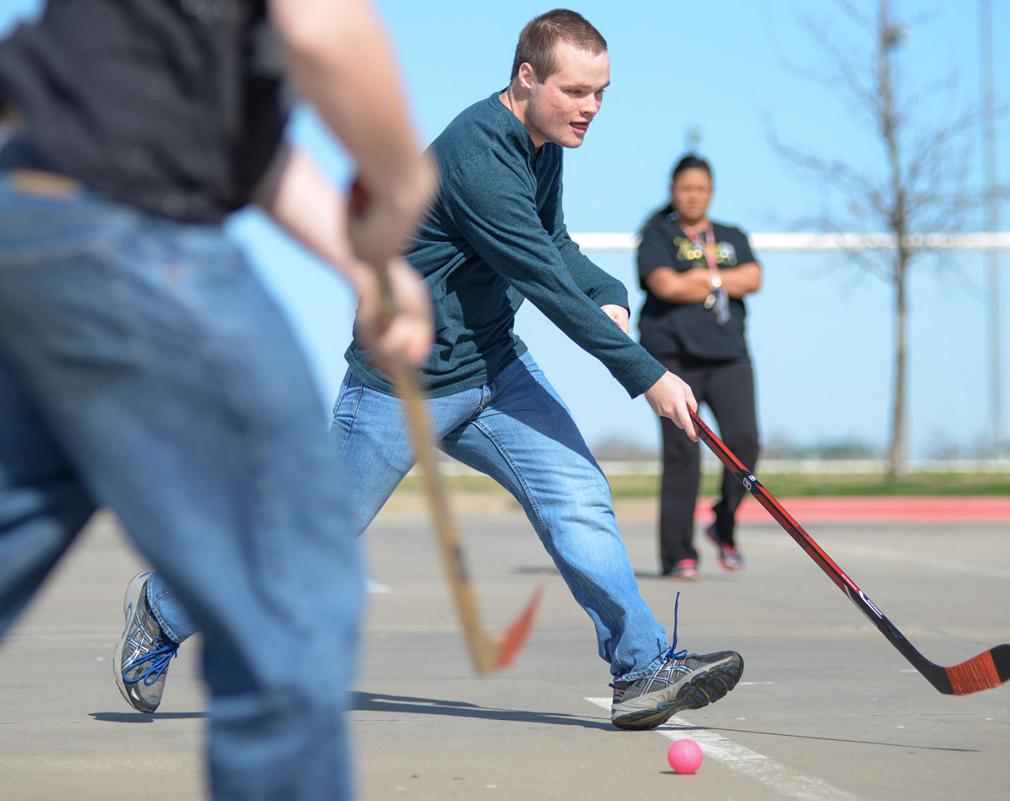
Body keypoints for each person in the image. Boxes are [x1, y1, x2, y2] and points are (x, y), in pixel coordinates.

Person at [130, 8, 745, 732]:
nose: (591, 109)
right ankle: (163, 608)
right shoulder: (479, 155)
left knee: (577, 492)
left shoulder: (543, 145)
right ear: (527, 77)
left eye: (601, 93)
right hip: (403, 387)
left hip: (495, 367)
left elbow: (554, 242)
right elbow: (543, 278)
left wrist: (609, 294)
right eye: (577, 92)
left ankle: (640, 670)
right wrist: (648, 374)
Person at [0, 2, 436, 799]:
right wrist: (408, 186)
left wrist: (363, 266)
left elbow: (242, 140)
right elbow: (324, 26)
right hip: (130, 232)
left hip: (25, 212)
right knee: (294, 592)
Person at [636, 154, 763, 580]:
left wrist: (702, 279)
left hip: (728, 356)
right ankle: (678, 554)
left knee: (744, 444)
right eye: (686, 188)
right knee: (681, 456)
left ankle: (723, 523)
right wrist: (721, 279)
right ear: (673, 190)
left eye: (701, 188)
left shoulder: (731, 235)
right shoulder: (657, 236)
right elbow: (664, 285)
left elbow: (754, 277)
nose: (693, 195)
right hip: (672, 358)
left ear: (711, 192)